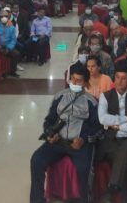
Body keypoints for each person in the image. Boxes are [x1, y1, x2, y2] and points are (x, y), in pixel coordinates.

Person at [29, 64, 101, 203]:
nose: (74, 83)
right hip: (58, 141)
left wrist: (83, 139)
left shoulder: (91, 102)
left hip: (79, 144)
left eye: (79, 80)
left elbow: (97, 128)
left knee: (83, 169)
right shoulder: (60, 96)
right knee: (36, 160)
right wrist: (49, 134)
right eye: (72, 79)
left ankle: (84, 200)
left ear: (85, 83)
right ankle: (37, 200)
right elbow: (49, 120)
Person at [97, 64, 127, 202]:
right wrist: (125, 119)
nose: (119, 81)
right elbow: (102, 118)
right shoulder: (105, 96)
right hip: (111, 140)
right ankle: (126, 198)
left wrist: (120, 127)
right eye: (117, 77)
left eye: (124, 78)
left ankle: (111, 190)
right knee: (125, 160)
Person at [0, 10, 21, 78]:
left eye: (5, 16)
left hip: (8, 46)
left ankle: (12, 72)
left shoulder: (12, 27)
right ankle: (1, 72)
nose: (4, 18)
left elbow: (13, 40)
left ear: (8, 17)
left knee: (16, 54)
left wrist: (8, 48)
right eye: (2, 16)